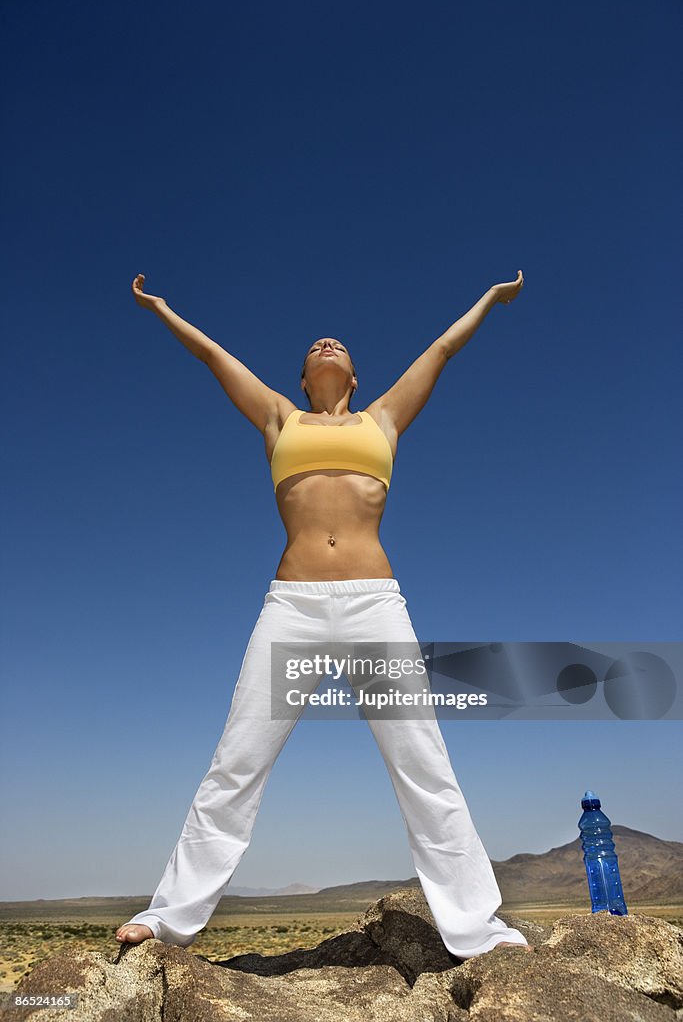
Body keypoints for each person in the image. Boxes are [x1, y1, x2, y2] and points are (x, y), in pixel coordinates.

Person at [115, 270, 532, 958]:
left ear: (356, 378)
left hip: (373, 603)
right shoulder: (280, 417)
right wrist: (161, 308)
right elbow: (214, 356)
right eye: (315, 346)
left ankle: (477, 927)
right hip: (294, 607)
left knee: (424, 764)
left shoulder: (385, 419)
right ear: (305, 380)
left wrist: (489, 299)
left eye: (337, 344)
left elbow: (442, 349)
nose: (327, 343)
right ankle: (170, 916)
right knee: (236, 762)